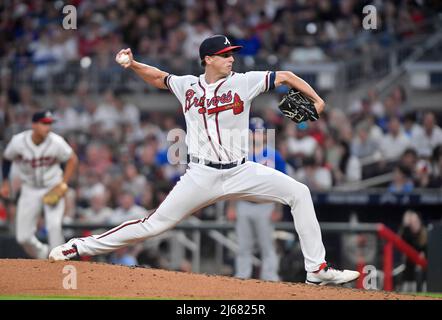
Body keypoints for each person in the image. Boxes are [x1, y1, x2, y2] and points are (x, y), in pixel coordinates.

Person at [49, 35, 360, 286]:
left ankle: (316, 269)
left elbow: (287, 76)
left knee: (299, 193)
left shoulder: (244, 81)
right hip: (201, 174)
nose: (231, 59)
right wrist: (132, 65)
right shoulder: (188, 86)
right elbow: (159, 78)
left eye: (231, 54)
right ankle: (79, 247)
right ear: (208, 59)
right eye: (225, 54)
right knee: (153, 225)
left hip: (241, 170)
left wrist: (318, 100)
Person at [1, 110, 78, 259]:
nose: (48, 127)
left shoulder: (56, 141)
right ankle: (43, 255)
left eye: (49, 124)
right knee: (23, 237)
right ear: (34, 125)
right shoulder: (19, 141)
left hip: (52, 186)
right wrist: (5, 182)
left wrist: (63, 183)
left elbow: (72, 159)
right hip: (29, 189)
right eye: (44, 123)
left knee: (54, 227)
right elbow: (7, 158)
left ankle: (59, 261)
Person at [226, 117, 284, 281]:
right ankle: (242, 276)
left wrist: (278, 208)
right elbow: (235, 183)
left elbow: (282, 184)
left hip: (266, 204)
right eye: (253, 132)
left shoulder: (274, 155)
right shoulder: (240, 153)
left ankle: (270, 277)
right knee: (243, 245)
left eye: (260, 133)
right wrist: (231, 207)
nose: (256, 136)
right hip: (244, 202)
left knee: (267, 245)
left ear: (265, 135)